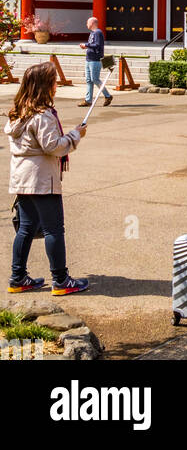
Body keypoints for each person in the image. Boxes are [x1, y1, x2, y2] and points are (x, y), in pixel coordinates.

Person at [5, 61, 89, 296]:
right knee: (54, 230)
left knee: (26, 229)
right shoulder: (43, 116)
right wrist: (75, 135)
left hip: (22, 178)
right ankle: (61, 280)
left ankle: (17, 277)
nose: (56, 86)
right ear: (45, 86)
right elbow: (53, 147)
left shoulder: (17, 113)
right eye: (53, 82)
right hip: (42, 179)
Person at [78, 16, 112, 108]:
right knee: (89, 80)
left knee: (95, 79)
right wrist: (86, 46)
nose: (86, 24)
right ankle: (88, 100)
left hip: (95, 60)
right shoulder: (93, 33)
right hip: (89, 59)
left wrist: (86, 45)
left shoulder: (98, 33)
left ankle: (108, 95)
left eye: (87, 23)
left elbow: (97, 45)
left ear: (92, 23)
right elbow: (93, 45)